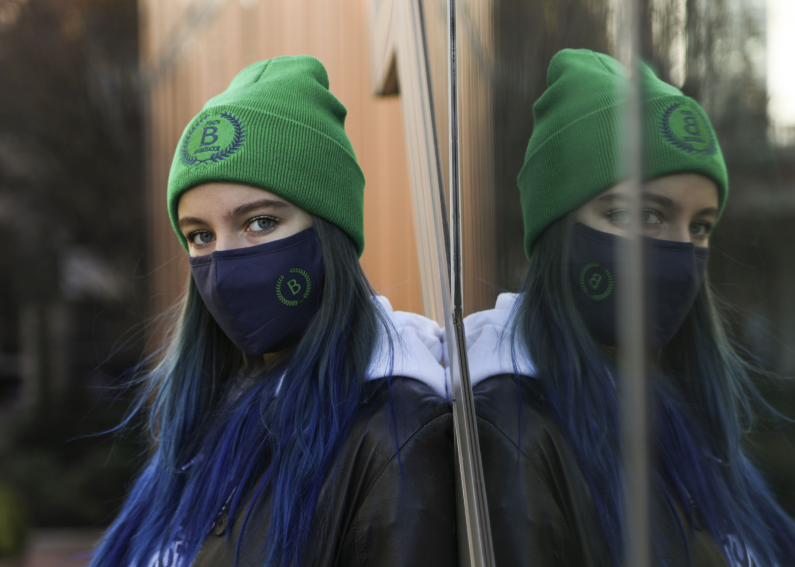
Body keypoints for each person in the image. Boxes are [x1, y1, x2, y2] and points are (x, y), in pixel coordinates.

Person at [89, 55, 456, 567]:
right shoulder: (209, 412)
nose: (226, 260)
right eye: (200, 234)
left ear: (330, 233)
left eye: (260, 222)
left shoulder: (392, 434)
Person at [465, 49, 795, 566]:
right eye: (643, 214)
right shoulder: (514, 434)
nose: (682, 251)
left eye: (700, 225)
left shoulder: (680, 412)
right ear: (558, 229)